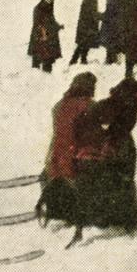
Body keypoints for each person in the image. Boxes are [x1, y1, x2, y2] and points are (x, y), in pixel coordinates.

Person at [70, 76, 137, 243]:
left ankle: (112, 218)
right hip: (113, 148)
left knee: (112, 183)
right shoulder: (126, 104)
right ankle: (126, 220)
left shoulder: (113, 102)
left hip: (108, 147)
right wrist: (105, 140)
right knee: (121, 183)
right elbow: (113, 128)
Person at [36, 73, 96, 237]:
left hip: (57, 159)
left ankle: (57, 210)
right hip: (75, 160)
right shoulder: (90, 106)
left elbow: (58, 135)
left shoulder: (58, 106)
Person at [29, 0, 63, 72]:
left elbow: (51, 20)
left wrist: (57, 26)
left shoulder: (49, 7)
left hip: (49, 38)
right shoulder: (38, 8)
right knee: (38, 61)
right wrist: (43, 34)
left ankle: (47, 77)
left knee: (48, 61)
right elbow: (38, 24)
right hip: (40, 38)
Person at [71, 0, 101, 65]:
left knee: (84, 44)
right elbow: (93, 14)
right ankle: (74, 61)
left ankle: (81, 60)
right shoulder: (91, 0)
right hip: (86, 26)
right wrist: (103, 16)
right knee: (83, 44)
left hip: (85, 26)